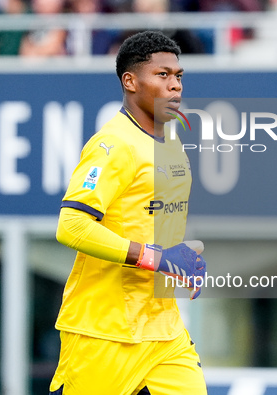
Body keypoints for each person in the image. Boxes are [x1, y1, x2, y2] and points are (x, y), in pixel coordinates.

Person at [49, 30, 208, 395]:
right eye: (162, 75)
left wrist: (179, 258)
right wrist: (157, 258)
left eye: (178, 76)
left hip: (163, 331)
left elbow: (148, 223)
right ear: (130, 81)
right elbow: (71, 225)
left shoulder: (172, 142)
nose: (175, 86)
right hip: (103, 332)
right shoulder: (113, 144)